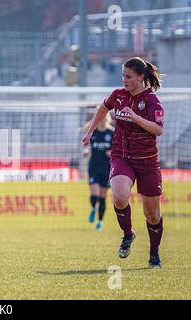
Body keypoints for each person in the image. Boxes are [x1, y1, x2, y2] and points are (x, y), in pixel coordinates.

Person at [82, 57, 164, 269]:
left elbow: (158, 129)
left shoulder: (152, 101)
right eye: (122, 76)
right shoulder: (118, 96)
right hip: (121, 157)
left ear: (141, 77)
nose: (124, 80)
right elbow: (103, 107)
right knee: (119, 197)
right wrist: (90, 131)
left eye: (128, 77)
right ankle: (128, 235)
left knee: (152, 214)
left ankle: (154, 254)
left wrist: (136, 117)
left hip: (147, 161)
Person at [83, 112, 113, 231]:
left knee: (102, 197)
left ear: (107, 118)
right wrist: (85, 150)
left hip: (107, 168)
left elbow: (118, 149)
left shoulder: (112, 132)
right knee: (94, 195)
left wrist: (112, 153)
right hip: (94, 167)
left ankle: (99, 222)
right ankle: (93, 208)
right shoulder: (92, 132)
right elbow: (86, 145)